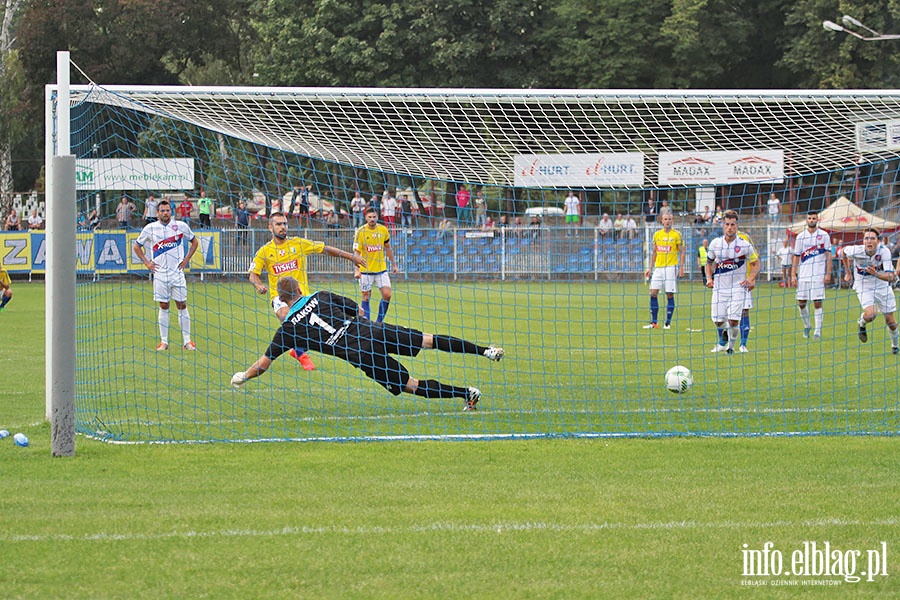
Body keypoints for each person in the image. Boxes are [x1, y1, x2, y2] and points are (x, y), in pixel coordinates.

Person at [230, 276, 505, 411]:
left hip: (359, 353)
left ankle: (466, 394)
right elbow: (358, 310)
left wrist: (243, 376)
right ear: (300, 289)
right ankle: (486, 350)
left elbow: (263, 366)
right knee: (428, 340)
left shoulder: (287, 329)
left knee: (410, 385)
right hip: (373, 331)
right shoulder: (322, 295)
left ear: (282, 300)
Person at [249, 212, 365, 371]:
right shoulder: (264, 251)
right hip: (280, 298)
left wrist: (351, 257)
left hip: (303, 298)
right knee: (286, 316)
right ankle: (300, 353)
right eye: (278, 224)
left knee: (316, 331)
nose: (283, 227)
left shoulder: (298, 243)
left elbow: (325, 248)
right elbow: (253, 274)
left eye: (284, 224)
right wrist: (259, 285)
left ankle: (298, 350)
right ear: (270, 227)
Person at [132, 199, 200, 351]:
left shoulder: (180, 226)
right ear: (157, 213)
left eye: (167, 210)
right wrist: (147, 263)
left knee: (182, 304)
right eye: (162, 210)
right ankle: (164, 342)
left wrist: (186, 260)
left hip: (177, 273)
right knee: (164, 305)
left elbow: (194, 242)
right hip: (160, 274)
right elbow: (137, 246)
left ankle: (187, 341)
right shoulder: (150, 228)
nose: (165, 213)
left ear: (171, 211)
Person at [706, 210, 760, 354]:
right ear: (723, 225)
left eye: (733, 224)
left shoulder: (744, 244)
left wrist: (750, 278)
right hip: (719, 288)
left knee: (734, 320)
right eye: (727, 224)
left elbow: (756, 263)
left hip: (738, 287)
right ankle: (724, 335)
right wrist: (709, 278)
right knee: (717, 320)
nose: (730, 227)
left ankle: (731, 347)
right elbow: (708, 263)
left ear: (737, 226)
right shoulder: (715, 244)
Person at [841, 228, 899, 354]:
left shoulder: (884, 252)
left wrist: (876, 274)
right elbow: (843, 252)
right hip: (863, 286)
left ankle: (895, 347)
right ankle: (861, 323)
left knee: (891, 322)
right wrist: (847, 272)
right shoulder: (856, 250)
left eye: (872, 238)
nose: (869, 241)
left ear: (878, 241)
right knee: (872, 314)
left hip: (882, 286)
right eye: (866, 238)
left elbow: (891, 277)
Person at [791, 212, 832, 340]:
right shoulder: (800, 237)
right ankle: (807, 325)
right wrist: (793, 275)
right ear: (806, 220)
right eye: (809, 218)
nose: (811, 220)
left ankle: (817, 331)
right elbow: (796, 257)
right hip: (803, 275)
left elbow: (829, 256)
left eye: (814, 218)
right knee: (801, 303)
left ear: (817, 220)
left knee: (817, 302)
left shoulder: (824, 235)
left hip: (818, 275)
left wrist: (828, 273)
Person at [354, 207, 399, 323]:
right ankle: (367, 323)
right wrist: (356, 270)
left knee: (387, 294)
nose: (372, 219)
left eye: (374, 217)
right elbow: (356, 252)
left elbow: (388, 248)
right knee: (366, 296)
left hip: (381, 270)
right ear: (365, 218)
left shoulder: (383, 230)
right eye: (369, 217)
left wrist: (394, 264)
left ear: (377, 217)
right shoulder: (360, 231)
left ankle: (379, 322)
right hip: (365, 270)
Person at [643, 212, 685, 330]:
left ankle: (667, 323)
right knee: (653, 292)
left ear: (672, 221)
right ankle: (654, 322)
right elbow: (655, 252)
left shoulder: (677, 235)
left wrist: (681, 267)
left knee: (669, 294)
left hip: (671, 268)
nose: (668, 221)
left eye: (670, 219)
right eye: (665, 219)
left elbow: (682, 251)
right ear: (661, 221)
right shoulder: (657, 235)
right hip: (658, 268)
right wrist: (650, 268)